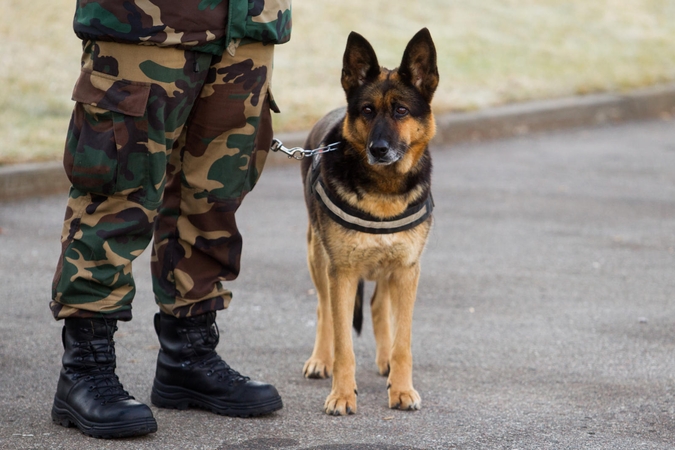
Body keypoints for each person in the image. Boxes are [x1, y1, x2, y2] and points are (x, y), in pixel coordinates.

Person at [48, 0, 292, 439]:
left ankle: (189, 356)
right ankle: (85, 367)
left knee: (214, 197)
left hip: (248, 23)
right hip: (145, 24)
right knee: (118, 193)